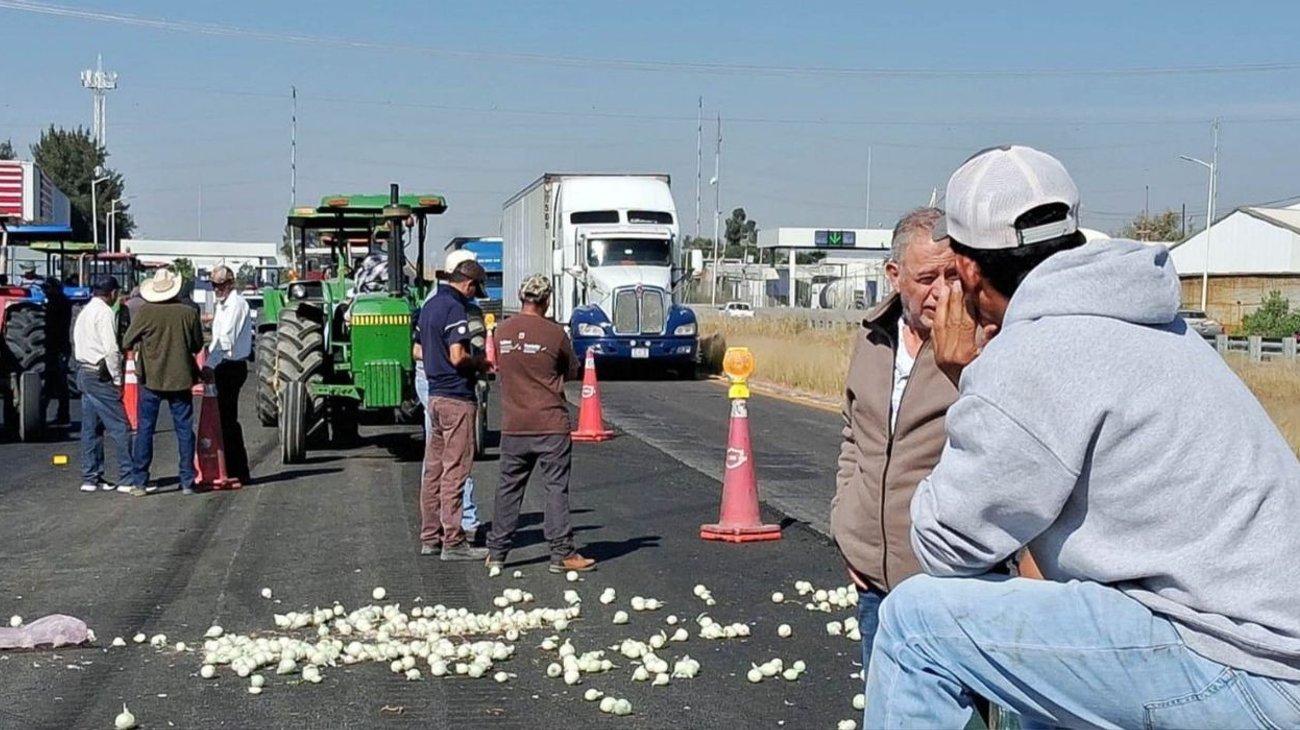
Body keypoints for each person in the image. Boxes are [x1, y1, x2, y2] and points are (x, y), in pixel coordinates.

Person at [865, 145, 1300, 728]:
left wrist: (968, 379)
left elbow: (947, 545)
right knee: (1048, 639)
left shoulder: (1034, 352)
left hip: (1241, 665)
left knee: (915, 624)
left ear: (968, 269)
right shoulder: (1153, 319)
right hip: (1259, 642)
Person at [830, 207, 958, 674]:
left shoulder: (981, 347)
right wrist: (846, 526)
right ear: (894, 274)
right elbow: (853, 435)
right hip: (872, 580)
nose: (941, 291)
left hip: (945, 584)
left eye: (952, 274)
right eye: (927, 277)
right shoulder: (872, 339)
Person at [487, 275, 595, 574]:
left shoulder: (501, 332)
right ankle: (562, 553)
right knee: (555, 489)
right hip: (550, 423)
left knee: (508, 489)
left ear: (521, 299)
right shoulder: (555, 333)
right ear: (546, 301)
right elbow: (571, 369)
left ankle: (496, 553)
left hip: (513, 424)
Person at [417, 258, 491, 560]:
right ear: (469, 284)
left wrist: (436, 363)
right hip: (456, 398)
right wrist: (481, 363)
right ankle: (454, 540)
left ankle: (429, 537)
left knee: (433, 471)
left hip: (433, 396)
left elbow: (416, 349)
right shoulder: (455, 309)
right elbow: (459, 356)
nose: (474, 296)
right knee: (455, 470)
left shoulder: (429, 306)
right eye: (475, 290)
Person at [123, 268, 204, 496]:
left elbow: (128, 340)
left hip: (151, 379)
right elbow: (197, 345)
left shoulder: (146, 312)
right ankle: (187, 480)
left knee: (145, 430)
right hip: (181, 379)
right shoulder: (188, 313)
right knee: (185, 431)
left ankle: (140, 481)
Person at [71, 276, 135, 493]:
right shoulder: (105, 313)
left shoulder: (84, 312)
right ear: (113, 293)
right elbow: (111, 349)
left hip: (84, 371)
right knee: (121, 427)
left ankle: (91, 477)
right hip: (100, 373)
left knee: (92, 428)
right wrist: (117, 379)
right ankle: (128, 477)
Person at [201, 265, 254, 485]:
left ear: (230, 283)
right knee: (223, 419)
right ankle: (230, 467)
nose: (217, 289)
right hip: (223, 363)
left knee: (228, 420)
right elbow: (217, 339)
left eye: (221, 285)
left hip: (231, 365)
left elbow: (225, 340)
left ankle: (238, 470)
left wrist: (209, 365)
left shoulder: (236, 305)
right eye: (214, 285)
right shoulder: (223, 305)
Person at [41, 277, 73, 424]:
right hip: (56, 346)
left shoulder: (59, 303)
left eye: (47, 289)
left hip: (58, 346)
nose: (45, 292)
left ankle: (59, 414)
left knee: (57, 381)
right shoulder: (59, 302)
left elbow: (53, 326)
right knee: (56, 382)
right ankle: (57, 413)